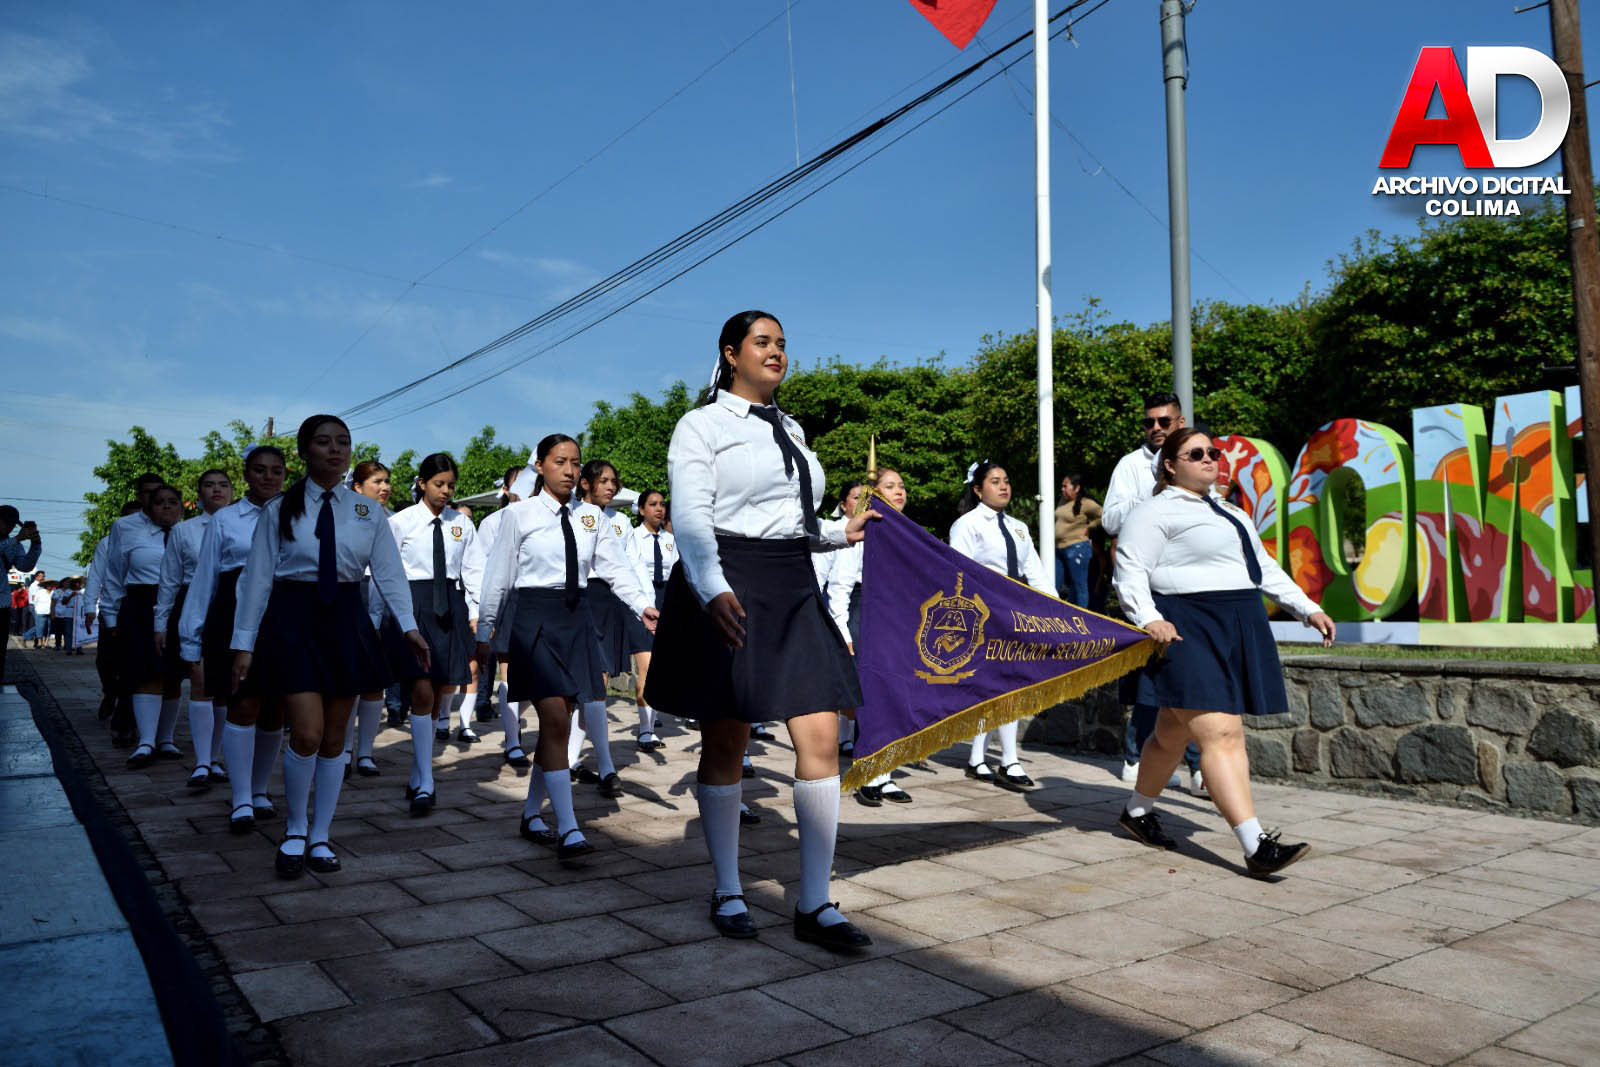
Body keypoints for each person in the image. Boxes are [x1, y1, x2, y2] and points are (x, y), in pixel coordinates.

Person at [645, 309, 878, 948]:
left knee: (822, 736)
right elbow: (693, 518)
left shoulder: (793, 428)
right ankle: (727, 889)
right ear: (730, 353)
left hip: (792, 583)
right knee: (727, 739)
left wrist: (841, 532)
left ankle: (815, 903)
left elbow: (792, 520)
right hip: (730, 581)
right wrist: (711, 588)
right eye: (763, 342)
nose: (776, 352)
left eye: (782, 344)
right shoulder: (701, 425)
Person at [1114, 428, 1337, 877]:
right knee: (1222, 732)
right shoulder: (1153, 511)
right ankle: (1256, 845)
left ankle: (1136, 813)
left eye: (1213, 452)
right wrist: (1148, 617)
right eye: (1195, 453)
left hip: (1235, 623)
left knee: (1171, 734)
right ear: (1170, 465)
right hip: (1185, 626)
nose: (1208, 458)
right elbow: (1130, 568)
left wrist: (1306, 608)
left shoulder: (1231, 511)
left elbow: (1261, 567)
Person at [232, 416, 427, 879]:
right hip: (293, 619)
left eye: (343, 442)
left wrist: (409, 627)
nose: (335, 450)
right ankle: (295, 827)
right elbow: (257, 578)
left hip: (345, 619)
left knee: (336, 738)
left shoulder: (367, 511)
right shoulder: (279, 509)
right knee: (307, 733)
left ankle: (320, 834)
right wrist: (243, 642)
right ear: (304, 452)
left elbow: (389, 573)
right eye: (323, 442)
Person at [475, 435, 657, 862]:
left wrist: (642, 606)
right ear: (539, 466)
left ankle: (530, 813)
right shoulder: (518, 515)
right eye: (560, 462)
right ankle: (570, 827)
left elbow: (615, 568)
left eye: (575, 462)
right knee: (555, 720)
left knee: (559, 725)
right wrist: (484, 630)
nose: (570, 470)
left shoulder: (592, 518)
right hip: (534, 618)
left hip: (577, 620)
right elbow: (498, 575)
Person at [178, 445, 288, 832]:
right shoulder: (225, 519)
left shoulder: (296, 515)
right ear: (245, 475)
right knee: (242, 702)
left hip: (282, 612)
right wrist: (191, 637)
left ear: (285, 475)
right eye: (259, 470)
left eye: (276, 470)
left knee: (274, 708)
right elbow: (204, 578)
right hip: (232, 612)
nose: (268, 477)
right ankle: (240, 797)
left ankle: (260, 790)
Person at [1101, 391, 1203, 796]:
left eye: (1164, 421)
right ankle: (1137, 757)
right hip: (1149, 586)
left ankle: (1196, 765)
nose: (1156, 428)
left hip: (1191, 582)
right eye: (1149, 422)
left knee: (1193, 677)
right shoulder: (1131, 465)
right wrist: (1154, 496)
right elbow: (1109, 520)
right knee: (1153, 676)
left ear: (1180, 422)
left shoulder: (1197, 456)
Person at [381, 452, 476, 814]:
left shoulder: (462, 524)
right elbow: (387, 572)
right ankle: (427, 780)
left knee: (438, 692)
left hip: (450, 606)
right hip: (413, 605)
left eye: (451, 485)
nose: (446, 491)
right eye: (438, 484)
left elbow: (473, 570)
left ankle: (419, 772)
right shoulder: (401, 522)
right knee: (420, 689)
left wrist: (478, 614)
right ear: (422, 483)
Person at [948, 459, 1043, 791]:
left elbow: (1035, 571)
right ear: (977, 489)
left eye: (1006, 481)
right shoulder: (967, 524)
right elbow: (959, 572)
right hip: (986, 613)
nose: (1003, 487)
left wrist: (1057, 608)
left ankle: (982, 758)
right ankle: (1005, 760)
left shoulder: (1019, 527)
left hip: (1016, 612)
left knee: (1005, 683)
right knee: (998, 683)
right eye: (995, 481)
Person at [834, 469, 916, 806]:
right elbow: (840, 586)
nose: (899, 492)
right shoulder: (862, 531)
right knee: (870, 697)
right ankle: (867, 773)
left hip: (897, 617)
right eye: (889, 486)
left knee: (894, 694)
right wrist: (842, 631)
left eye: (901, 486)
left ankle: (886, 772)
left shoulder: (908, 533)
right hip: (864, 612)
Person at [568, 459, 647, 797]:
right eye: (604, 481)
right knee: (583, 687)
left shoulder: (619, 521)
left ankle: (588, 762)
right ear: (586, 483)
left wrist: (644, 604)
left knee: (595, 684)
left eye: (614, 481)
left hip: (608, 600)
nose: (611, 487)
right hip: (578, 598)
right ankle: (598, 764)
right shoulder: (570, 513)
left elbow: (630, 565)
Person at [154, 469, 234, 788]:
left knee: (224, 688)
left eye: (223, 484)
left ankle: (214, 758)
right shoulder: (183, 531)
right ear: (198, 493)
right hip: (193, 605)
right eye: (209, 485)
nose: (217, 490)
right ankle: (201, 762)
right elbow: (169, 579)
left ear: (232, 490)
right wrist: (160, 622)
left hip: (231, 605)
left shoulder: (245, 525)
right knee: (200, 681)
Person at [102, 485, 187, 768]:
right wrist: (111, 615)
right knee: (144, 672)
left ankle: (166, 739)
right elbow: (114, 575)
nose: (167, 507)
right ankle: (146, 741)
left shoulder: (189, 534)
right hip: (140, 605)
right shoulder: (131, 534)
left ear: (182, 506)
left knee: (173, 674)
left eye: (173, 502)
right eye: (160, 502)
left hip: (179, 604)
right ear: (149, 508)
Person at [462, 466, 531, 768]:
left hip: (543, 600)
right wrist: (479, 612)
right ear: (506, 490)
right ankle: (513, 740)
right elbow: (480, 571)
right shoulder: (492, 523)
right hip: (509, 601)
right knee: (509, 672)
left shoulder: (549, 517)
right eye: (518, 484)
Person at [345, 460, 395, 776]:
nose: (384, 487)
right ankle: (343, 749)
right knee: (349, 681)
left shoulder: (393, 520)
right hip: (354, 596)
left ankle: (365, 752)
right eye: (377, 481)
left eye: (387, 481)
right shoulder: (343, 517)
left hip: (384, 601)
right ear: (357, 487)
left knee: (375, 683)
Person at [625, 488, 675, 750]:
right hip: (641, 602)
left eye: (662, 504)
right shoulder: (632, 537)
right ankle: (646, 730)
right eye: (653, 504)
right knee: (647, 666)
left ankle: (651, 722)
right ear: (641, 509)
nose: (659, 509)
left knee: (660, 667)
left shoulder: (671, 540)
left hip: (667, 601)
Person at [0, 508, 43, 679]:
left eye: (13, 525)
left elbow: (25, 566)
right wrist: (17, 538)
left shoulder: (13, 544)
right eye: (7, 523)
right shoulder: (13, 541)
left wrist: (35, 545)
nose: (11, 528)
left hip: (2, 604)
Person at [1055, 472, 1101, 607]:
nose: (1062, 489)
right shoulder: (1062, 501)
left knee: (1079, 586)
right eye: (1062, 486)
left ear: (1077, 488)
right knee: (1052, 586)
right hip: (1058, 549)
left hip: (1077, 548)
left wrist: (1090, 526)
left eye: (1065, 486)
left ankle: (1081, 617)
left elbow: (1105, 515)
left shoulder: (1086, 503)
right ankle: (1051, 615)